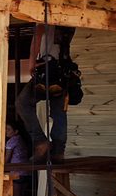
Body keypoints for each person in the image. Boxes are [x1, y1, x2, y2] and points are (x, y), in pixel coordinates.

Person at [15, 24, 77, 163]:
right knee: (59, 112)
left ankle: (40, 141)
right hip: (63, 68)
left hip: (47, 66)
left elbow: (38, 34)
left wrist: (31, 62)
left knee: (22, 102)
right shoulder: (69, 20)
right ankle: (58, 151)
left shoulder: (45, 12)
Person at [4, 123, 31, 196]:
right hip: (26, 172)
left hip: (16, 172)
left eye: (9, 129)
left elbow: (7, 159)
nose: (6, 131)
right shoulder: (21, 139)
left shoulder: (12, 141)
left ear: (16, 131)